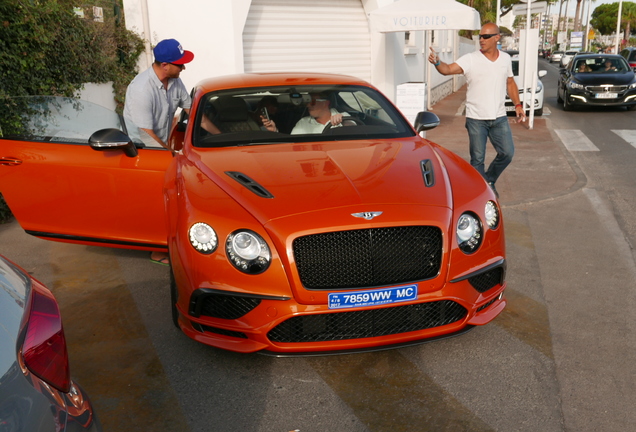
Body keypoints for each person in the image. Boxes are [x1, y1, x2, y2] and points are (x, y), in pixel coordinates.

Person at [123, 38, 208, 265]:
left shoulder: (174, 81)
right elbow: (144, 132)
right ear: (165, 65)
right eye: (180, 64)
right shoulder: (141, 89)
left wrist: (217, 135)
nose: (184, 68)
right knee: (158, 201)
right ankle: (157, 250)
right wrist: (170, 156)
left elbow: (191, 111)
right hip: (142, 151)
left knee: (172, 196)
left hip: (161, 146)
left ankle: (171, 242)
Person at [428, 23, 525, 198]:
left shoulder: (505, 59)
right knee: (477, 161)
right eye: (480, 36)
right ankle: (482, 195)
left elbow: (510, 83)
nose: (481, 40)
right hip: (476, 119)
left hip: (499, 117)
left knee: (507, 153)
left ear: (497, 37)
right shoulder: (471, 59)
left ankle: (488, 181)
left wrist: (518, 105)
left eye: (486, 37)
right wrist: (437, 62)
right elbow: (447, 70)